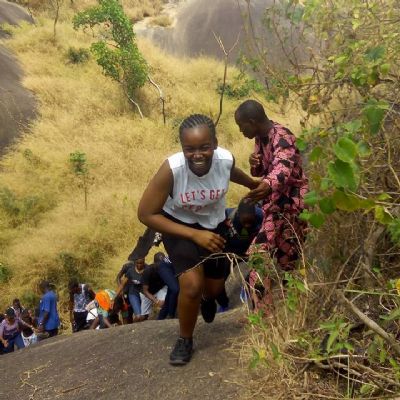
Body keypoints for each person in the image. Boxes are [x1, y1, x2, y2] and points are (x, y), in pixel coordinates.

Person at [138, 113, 258, 365]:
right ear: (182, 148)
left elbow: (230, 172)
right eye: (189, 149)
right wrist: (194, 234)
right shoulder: (172, 170)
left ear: (215, 144)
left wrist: (251, 184)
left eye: (204, 147)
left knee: (212, 289)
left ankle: (207, 299)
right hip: (179, 227)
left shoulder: (224, 159)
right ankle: (185, 339)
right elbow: (146, 213)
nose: (197, 154)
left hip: (214, 226)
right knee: (191, 286)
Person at [235, 100, 308, 313]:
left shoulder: (282, 136)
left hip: (290, 207)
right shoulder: (261, 138)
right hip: (276, 208)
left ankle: (269, 314)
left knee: (271, 259)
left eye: (241, 126)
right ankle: (279, 314)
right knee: (282, 262)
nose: (240, 131)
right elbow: (265, 170)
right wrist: (255, 165)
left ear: (252, 122)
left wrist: (267, 185)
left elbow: (283, 168)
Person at [216, 199, 264, 312]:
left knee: (259, 264)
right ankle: (223, 304)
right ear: (238, 214)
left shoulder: (261, 216)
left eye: (250, 222)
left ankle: (247, 287)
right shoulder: (227, 216)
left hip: (250, 249)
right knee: (220, 276)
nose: (247, 225)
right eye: (244, 221)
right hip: (231, 251)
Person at [116, 258, 147, 322]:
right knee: (126, 310)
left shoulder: (146, 267)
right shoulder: (127, 266)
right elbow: (118, 277)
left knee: (142, 314)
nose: (139, 265)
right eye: (137, 263)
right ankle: (127, 323)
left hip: (138, 291)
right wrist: (120, 289)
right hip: (126, 290)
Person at [154, 252, 179, 320]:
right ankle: (171, 315)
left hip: (173, 268)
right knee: (175, 289)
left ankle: (161, 317)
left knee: (170, 293)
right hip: (164, 266)